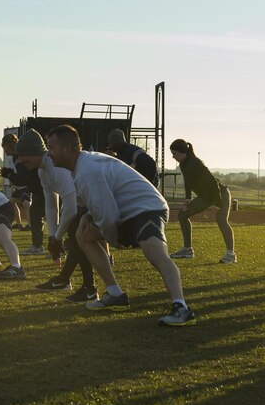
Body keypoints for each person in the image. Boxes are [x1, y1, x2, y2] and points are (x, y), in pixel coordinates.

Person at [47, 124, 196, 326]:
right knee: (82, 234)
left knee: (155, 253)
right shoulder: (82, 167)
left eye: (52, 148)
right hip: (127, 212)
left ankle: (181, 307)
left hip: (147, 208)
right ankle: (115, 293)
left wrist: (115, 240)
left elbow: (108, 216)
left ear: (68, 149)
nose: (49, 153)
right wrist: (88, 218)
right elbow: (101, 205)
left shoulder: (87, 170)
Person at [12, 129, 95, 298]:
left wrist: (57, 237)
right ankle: (68, 280)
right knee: (75, 236)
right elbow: (51, 204)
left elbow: (71, 208)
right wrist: (52, 235)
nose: (19, 160)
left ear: (34, 152)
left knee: (76, 233)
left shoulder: (56, 169)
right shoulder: (43, 171)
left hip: (94, 203)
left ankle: (88, 287)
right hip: (83, 204)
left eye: (22, 155)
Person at [167, 138, 236, 264]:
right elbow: (188, 182)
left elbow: (214, 184)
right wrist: (188, 199)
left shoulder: (195, 163)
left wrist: (218, 204)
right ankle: (187, 250)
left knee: (221, 220)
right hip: (206, 197)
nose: (173, 156)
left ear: (183, 152)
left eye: (174, 153)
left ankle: (231, 254)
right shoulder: (183, 165)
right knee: (182, 214)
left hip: (220, 195)